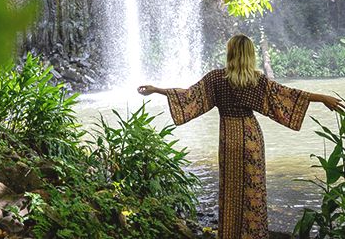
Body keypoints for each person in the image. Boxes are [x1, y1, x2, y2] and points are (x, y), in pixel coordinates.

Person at [137, 34, 344, 239]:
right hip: (251, 137)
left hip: (228, 138)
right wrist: (322, 97)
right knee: (253, 189)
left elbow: (189, 95)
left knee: (230, 189)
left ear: (231, 53)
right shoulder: (256, 80)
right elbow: (288, 95)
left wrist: (157, 90)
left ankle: (229, 234)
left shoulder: (216, 78)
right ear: (249, 55)